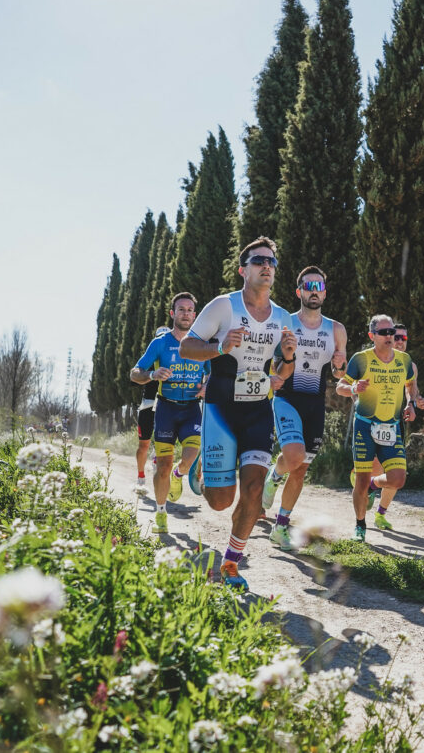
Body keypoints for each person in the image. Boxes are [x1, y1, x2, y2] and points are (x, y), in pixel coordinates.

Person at [180, 237, 296, 591]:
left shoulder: (281, 317)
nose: (267, 266)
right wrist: (219, 346)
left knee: (254, 487)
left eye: (272, 262)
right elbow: (187, 347)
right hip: (220, 410)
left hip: (259, 410)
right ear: (243, 268)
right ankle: (203, 466)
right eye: (259, 260)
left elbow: (282, 369)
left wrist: (288, 358)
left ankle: (231, 562)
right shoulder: (222, 306)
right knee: (219, 500)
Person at [263, 267, 348, 550]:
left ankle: (280, 526)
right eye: (309, 285)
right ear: (299, 291)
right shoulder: (285, 322)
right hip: (287, 398)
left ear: (324, 292)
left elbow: (339, 373)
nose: (314, 290)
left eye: (319, 286)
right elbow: (274, 365)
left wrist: (339, 366)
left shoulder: (336, 330)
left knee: (299, 470)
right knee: (295, 456)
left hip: (314, 403)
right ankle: (274, 478)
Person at [129, 295, 207, 533]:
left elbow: (215, 371)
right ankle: (161, 514)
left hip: (192, 409)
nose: (185, 313)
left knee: (191, 455)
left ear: (195, 315)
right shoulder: (160, 343)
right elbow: (135, 372)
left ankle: (179, 474)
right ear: (173, 313)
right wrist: (152, 375)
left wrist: (208, 385)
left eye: (190, 310)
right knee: (162, 465)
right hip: (165, 408)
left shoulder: (202, 342)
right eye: (181, 309)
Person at [337, 314, 414, 542]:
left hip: (391, 427)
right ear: (372, 336)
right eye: (384, 333)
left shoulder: (404, 360)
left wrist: (410, 403)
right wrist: (354, 389)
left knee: (398, 478)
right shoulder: (361, 359)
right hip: (365, 426)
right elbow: (341, 386)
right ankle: (360, 525)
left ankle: (374, 484)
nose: (390, 336)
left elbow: (410, 385)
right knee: (360, 480)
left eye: (392, 332)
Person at [357, 322, 424, 531]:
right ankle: (364, 489)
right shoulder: (371, 358)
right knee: (377, 466)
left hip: (396, 423)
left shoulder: (409, 365)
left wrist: (417, 402)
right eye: (396, 337)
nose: (399, 342)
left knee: (397, 471)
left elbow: (411, 391)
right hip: (373, 421)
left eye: (404, 339)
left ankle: (380, 513)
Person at [134, 326, 170, 485]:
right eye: (160, 336)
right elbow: (135, 377)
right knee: (144, 445)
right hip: (147, 405)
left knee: (163, 444)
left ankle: (159, 472)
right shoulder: (150, 356)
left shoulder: (172, 357)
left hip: (165, 405)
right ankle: (141, 476)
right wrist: (152, 375)